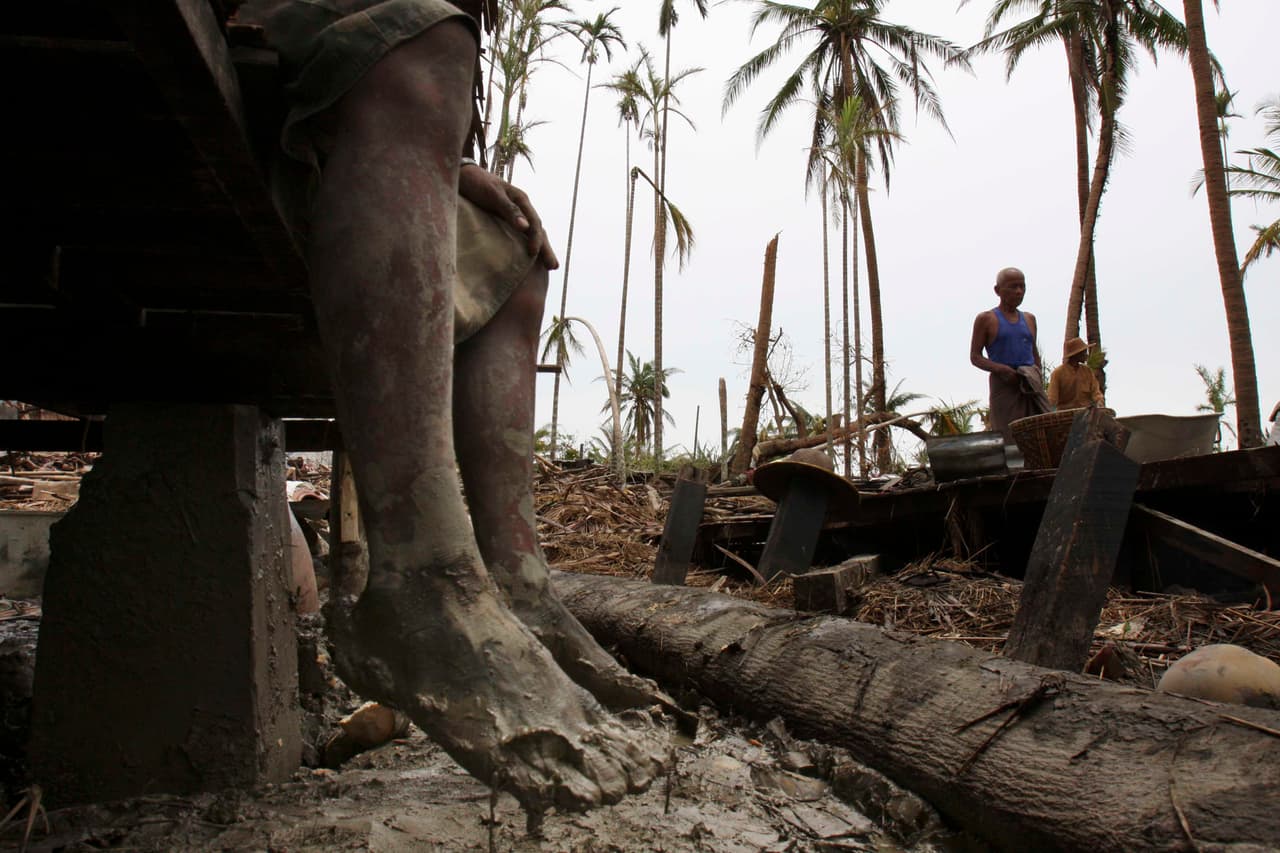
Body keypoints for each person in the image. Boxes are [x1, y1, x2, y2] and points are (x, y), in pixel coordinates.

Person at [234, 0, 667, 817]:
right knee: (425, 43)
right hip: (254, 64)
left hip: (313, 108)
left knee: (514, 249)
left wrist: (449, 167)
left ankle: (516, 579)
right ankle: (422, 572)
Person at [969, 267, 1050, 442]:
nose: (1019, 292)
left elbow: (1033, 351)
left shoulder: (1029, 319)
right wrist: (1002, 370)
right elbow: (975, 356)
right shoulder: (987, 319)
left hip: (1030, 383)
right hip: (1004, 384)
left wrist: (1037, 373)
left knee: (1041, 430)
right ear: (997, 290)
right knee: (1009, 435)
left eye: (1022, 287)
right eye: (1013, 287)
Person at [1047, 336, 1104, 411]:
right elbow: (1052, 399)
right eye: (1084, 352)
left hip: (1086, 412)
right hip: (1066, 414)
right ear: (1076, 354)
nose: (1086, 355)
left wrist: (1100, 401)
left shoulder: (1087, 371)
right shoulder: (1058, 373)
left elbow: (1096, 392)